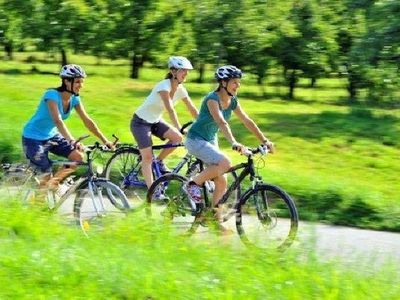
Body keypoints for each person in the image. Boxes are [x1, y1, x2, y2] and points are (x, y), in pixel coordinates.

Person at [184, 65, 275, 226]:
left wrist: (265, 141)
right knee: (225, 163)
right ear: (223, 83)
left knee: (222, 181)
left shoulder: (232, 101)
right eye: (234, 82)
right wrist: (233, 142)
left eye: (238, 82)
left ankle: (215, 221)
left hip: (210, 140)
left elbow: (247, 121)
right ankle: (192, 185)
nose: (238, 85)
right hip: (196, 139)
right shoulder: (212, 99)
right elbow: (221, 121)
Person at [22, 64, 114, 189]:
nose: (80, 85)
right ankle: (39, 203)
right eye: (77, 82)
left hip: (51, 136)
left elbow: (87, 120)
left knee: (77, 157)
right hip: (33, 137)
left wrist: (105, 141)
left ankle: (53, 185)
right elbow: (57, 120)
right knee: (45, 174)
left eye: (82, 82)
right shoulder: (51, 95)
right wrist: (71, 140)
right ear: (66, 81)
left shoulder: (75, 99)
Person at [130, 56, 198, 189]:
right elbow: (170, 109)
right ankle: (152, 191)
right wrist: (179, 127)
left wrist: (204, 124)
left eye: (187, 71)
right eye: (183, 70)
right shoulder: (163, 86)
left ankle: (159, 161)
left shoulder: (181, 89)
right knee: (147, 157)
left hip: (154, 121)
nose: (186, 73)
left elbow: (192, 109)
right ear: (173, 72)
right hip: (140, 123)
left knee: (177, 138)